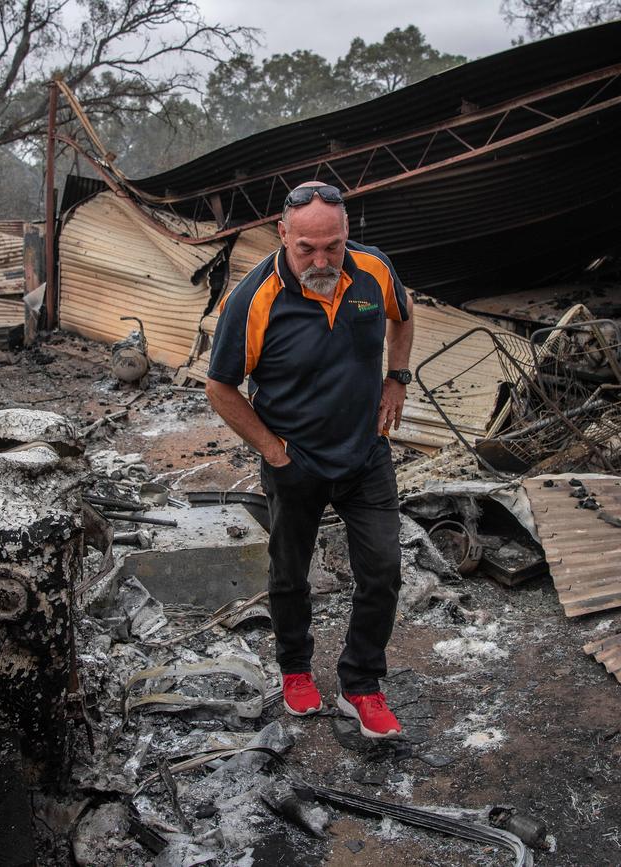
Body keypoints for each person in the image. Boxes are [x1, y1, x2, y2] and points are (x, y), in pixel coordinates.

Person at [205, 181, 414, 738]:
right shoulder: (253, 298)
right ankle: (296, 670)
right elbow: (220, 389)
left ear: (347, 234)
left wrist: (396, 379)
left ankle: (361, 685)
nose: (321, 260)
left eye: (333, 246)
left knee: (383, 570)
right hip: (295, 462)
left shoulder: (373, 270)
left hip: (365, 454)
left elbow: (404, 313)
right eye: (307, 249)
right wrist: (276, 453)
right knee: (290, 573)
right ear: (283, 235)